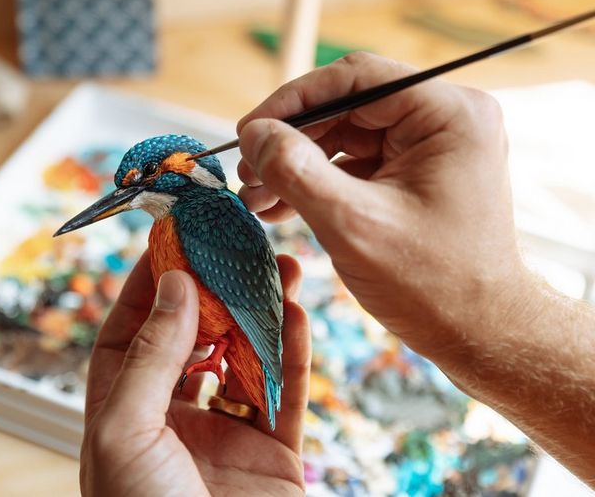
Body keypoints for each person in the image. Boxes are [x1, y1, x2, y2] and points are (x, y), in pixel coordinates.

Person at [80, 52, 595, 495]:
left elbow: (242, 308)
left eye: (144, 181)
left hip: (238, 331)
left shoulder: (201, 214)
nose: (131, 194)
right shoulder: (174, 223)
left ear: (181, 171)